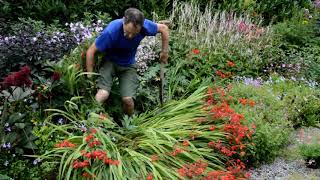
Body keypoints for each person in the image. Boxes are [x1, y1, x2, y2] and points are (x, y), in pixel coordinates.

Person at [86, 8, 169, 116]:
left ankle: (128, 126)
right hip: (110, 61)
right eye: (127, 33)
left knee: (128, 100)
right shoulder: (111, 31)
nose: (130, 36)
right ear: (123, 21)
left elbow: (164, 28)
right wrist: (90, 77)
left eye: (134, 34)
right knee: (103, 94)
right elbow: (90, 51)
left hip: (128, 64)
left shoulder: (145, 25)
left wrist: (164, 52)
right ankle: (88, 121)